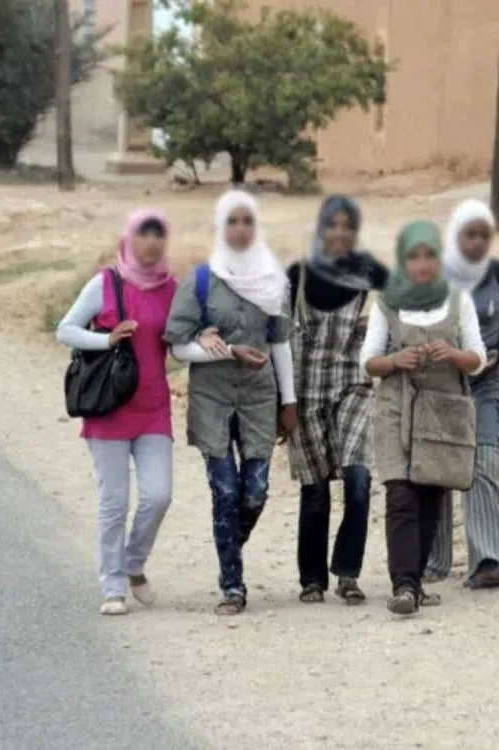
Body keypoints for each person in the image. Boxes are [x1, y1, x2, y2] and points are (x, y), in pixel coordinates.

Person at [166, 189, 297, 616]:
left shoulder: (274, 280)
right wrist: (224, 352)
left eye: (247, 221)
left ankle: (227, 548)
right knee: (224, 490)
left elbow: (280, 343)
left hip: (259, 396)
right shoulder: (202, 281)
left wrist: (289, 401)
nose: (240, 229)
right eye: (232, 222)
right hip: (213, 398)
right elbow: (178, 347)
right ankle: (233, 585)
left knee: (255, 492)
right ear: (221, 228)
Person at [361, 220, 487, 616]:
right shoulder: (387, 302)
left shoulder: (458, 300)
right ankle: (404, 585)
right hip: (396, 407)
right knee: (400, 494)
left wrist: (453, 354)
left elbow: (478, 358)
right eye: (413, 256)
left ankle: (413, 583)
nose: (421, 263)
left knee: (431, 496)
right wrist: (396, 360)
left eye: (429, 255)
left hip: (441, 409)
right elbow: (368, 361)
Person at [56, 208, 178, 616]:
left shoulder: (171, 287)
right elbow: (65, 330)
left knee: (158, 495)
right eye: (144, 233)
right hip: (109, 408)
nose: (151, 241)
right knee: (114, 503)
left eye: (158, 233)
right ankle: (113, 586)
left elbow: (180, 340)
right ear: (129, 238)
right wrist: (107, 340)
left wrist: (208, 338)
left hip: (153, 408)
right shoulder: (106, 283)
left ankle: (133, 564)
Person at [286, 195, 388, 606]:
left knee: (358, 478)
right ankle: (312, 579)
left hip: (353, 385)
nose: (340, 233)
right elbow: (275, 333)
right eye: (333, 225)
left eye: (348, 226)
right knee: (314, 490)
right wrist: (280, 400)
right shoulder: (298, 272)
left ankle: (348, 572)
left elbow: (407, 300)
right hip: (306, 390)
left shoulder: (369, 271)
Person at [424, 199, 499, 590]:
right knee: (440, 471)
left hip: (488, 382)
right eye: (470, 234)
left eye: (485, 235)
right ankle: (433, 561)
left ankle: (486, 561)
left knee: (484, 463)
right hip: (444, 384)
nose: (478, 242)